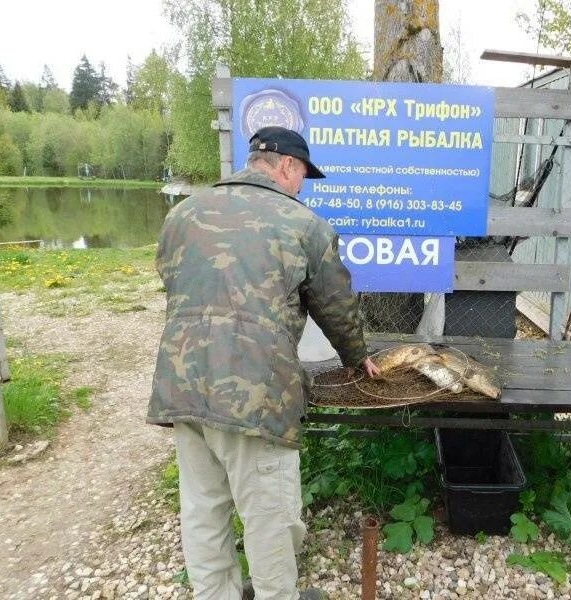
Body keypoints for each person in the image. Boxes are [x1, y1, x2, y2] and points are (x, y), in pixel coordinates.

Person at [147, 126, 380, 600]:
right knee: (270, 520)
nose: (301, 188)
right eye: (302, 178)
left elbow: (172, 281)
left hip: (183, 388)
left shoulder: (183, 214)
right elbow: (336, 304)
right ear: (287, 166)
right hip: (256, 399)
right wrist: (358, 357)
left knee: (204, 513)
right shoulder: (304, 224)